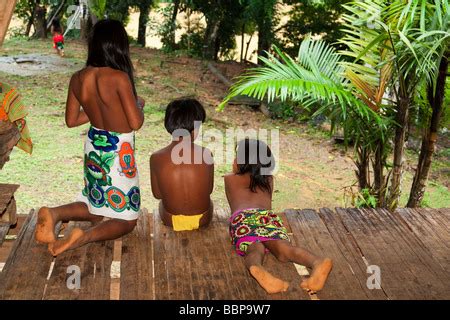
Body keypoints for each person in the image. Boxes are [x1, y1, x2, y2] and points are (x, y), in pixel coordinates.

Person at [35, 19, 145, 256]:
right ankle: (83, 237)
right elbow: (135, 122)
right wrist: (138, 106)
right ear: (118, 46)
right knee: (128, 219)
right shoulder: (119, 78)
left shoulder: (78, 77)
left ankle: (55, 213)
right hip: (119, 151)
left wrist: (96, 109)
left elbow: (72, 120)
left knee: (97, 204)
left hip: (94, 145)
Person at [224, 138, 333, 294]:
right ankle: (317, 262)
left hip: (243, 220)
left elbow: (232, 203)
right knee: (284, 249)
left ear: (241, 161)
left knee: (254, 249)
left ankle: (257, 267)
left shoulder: (230, 179)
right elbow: (267, 204)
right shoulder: (268, 179)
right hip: (267, 218)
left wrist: (236, 169)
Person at [150, 98, 214, 231]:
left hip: (171, 220)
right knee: (210, 202)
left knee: (161, 204)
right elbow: (209, 190)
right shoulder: (206, 154)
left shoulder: (156, 158)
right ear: (195, 128)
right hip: (203, 219)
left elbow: (157, 195)